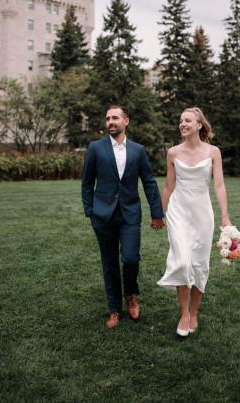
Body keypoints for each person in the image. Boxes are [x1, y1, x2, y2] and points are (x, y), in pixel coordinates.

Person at [82, 105, 165, 329]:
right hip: (103, 216)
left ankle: (131, 295)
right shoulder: (95, 148)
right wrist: (90, 211)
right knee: (109, 263)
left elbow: (148, 182)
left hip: (130, 214)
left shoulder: (138, 150)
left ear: (125, 121)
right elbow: (87, 182)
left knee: (130, 258)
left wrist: (157, 213)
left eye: (115, 118)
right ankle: (114, 309)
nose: (110, 121)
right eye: (107, 118)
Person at [157, 107, 231, 337]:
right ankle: (184, 313)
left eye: (187, 120)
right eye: (180, 121)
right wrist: (158, 213)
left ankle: (194, 311)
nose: (182, 124)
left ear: (199, 125)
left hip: (202, 213)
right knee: (182, 259)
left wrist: (225, 216)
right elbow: (169, 186)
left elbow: (218, 185)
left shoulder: (213, 152)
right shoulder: (172, 153)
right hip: (178, 211)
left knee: (199, 263)